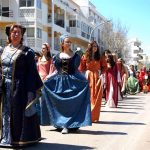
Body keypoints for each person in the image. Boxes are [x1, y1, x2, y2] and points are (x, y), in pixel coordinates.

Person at [0, 24, 43, 148]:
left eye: (18, 32)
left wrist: (30, 92)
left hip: (20, 88)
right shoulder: (3, 50)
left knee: (17, 113)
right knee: (4, 112)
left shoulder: (27, 52)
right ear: (9, 34)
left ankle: (17, 139)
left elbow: (31, 73)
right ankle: (5, 137)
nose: (16, 34)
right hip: (4, 87)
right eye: (13, 32)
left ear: (22, 35)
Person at [42, 34, 92, 134]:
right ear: (62, 44)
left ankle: (69, 124)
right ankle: (60, 123)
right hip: (59, 83)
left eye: (70, 42)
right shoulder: (57, 57)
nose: (69, 43)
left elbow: (76, 71)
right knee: (61, 105)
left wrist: (84, 80)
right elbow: (57, 71)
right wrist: (48, 77)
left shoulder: (75, 56)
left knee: (70, 105)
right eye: (67, 42)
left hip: (72, 83)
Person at [79, 41, 103, 122]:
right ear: (90, 47)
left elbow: (104, 67)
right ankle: (88, 116)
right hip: (88, 76)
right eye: (94, 46)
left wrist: (101, 74)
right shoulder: (85, 56)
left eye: (96, 46)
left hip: (97, 77)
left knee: (97, 97)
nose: (95, 48)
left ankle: (95, 116)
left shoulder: (99, 57)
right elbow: (81, 67)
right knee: (89, 96)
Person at [37, 43, 55, 125]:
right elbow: (37, 70)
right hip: (38, 80)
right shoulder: (39, 59)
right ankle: (39, 119)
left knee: (44, 101)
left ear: (48, 50)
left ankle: (46, 120)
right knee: (38, 100)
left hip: (46, 82)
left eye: (44, 48)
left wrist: (47, 79)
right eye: (42, 48)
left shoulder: (50, 60)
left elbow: (51, 71)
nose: (42, 49)